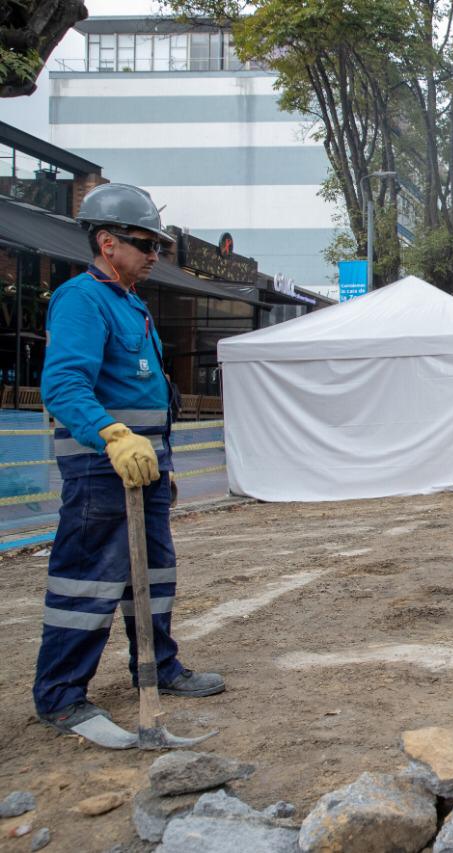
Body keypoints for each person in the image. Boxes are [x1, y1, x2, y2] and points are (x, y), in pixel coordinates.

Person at [33, 183, 224, 736]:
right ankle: (61, 695)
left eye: (158, 246)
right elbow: (64, 386)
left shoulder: (130, 303)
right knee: (87, 582)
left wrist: (158, 460)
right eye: (145, 244)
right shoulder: (82, 299)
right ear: (107, 242)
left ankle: (158, 666)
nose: (154, 255)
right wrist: (113, 436)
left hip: (145, 470)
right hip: (103, 470)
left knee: (154, 575)